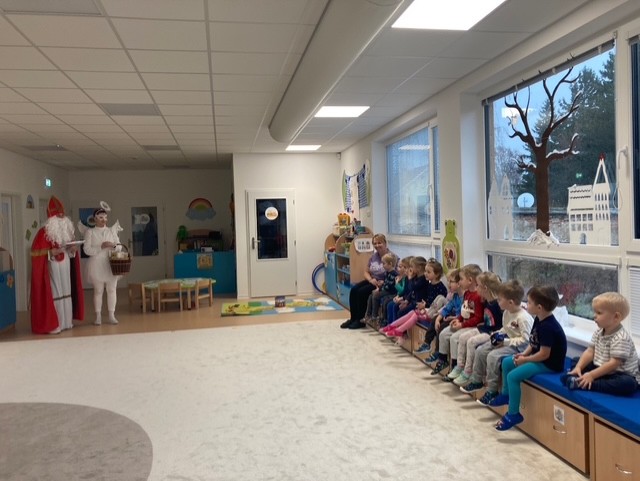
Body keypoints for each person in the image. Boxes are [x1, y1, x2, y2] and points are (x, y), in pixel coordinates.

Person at [490, 285, 567, 431]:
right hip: (538, 357)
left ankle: (513, 414)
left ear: (539, 307)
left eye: (529, 302)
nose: (526, 304)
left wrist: (525, 360)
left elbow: (544, 354)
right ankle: (506, 395)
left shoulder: (548, 327)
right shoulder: (539, 318)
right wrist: (524, 354)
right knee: (507, 362)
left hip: (549, 364)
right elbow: (533, 342)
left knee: (513, 376)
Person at [463, 279, 533, 402]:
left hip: (519, 348)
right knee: (481, 350)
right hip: (507, 340)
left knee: (492, 356)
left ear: (510, 302)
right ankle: (477, 381)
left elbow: (526, 340)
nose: (497, 301)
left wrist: (505, 342)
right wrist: (498, 333)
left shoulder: (524, 318)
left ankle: (492, 390)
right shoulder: (507, 312)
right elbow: (506, 328)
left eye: (500, 299)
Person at [561, 292, 640, 395]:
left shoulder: (621, 338)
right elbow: (590, 351)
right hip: (601, 368)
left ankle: (588, 384)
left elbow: (613, 364)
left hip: (619, 373)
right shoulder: (599, 332)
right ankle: (578, 376)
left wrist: (592, 375)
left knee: (628, 384)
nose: (594, 316)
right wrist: (578, 367)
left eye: (599, 313)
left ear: (616, 317)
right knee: (577, 360)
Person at [30, 196, 84, 334]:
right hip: (52, 266)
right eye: (58, 217)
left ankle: (66, 322)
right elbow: (36, 253)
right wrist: (50, 252)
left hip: (65, 264)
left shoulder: (67, 232)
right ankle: (54, 324)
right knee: (56, 292)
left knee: (67, 291)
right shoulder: (43, 233)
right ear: (52, 218)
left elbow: (70, 250)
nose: (61, 219)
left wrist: (73, 250)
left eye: (62, 216)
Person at [448, 271, 503, 385]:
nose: (476, 288)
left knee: (471, 342)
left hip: (491, 333)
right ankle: (459, 366)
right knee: (463, 338)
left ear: (485, 288)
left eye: (478, 285)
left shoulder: (497, 304)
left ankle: (468, 372)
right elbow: (486, 319)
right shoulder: (486, 301)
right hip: (484, 329)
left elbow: (500, 325)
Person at [430, 263, 484, 375]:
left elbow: (478, 318)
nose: (460, 282)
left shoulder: (478, 296)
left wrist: (462, 324)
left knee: (454, 338)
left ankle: (456, 367)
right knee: (443, 334)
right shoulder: (467, 293)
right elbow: (465, 311)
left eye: (461, 279)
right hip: (464, 323)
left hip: (472, 326)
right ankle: (443, 360)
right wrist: (458, 319)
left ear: (470, 280)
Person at [381, 258, 448, 345]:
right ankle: (393, 326)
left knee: (413, 313)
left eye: (428, 272)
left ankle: (400, 331)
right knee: (409, 312)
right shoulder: (429, 284)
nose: (425, 274)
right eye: (425, 271)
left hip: (432, 312)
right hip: (426, 308)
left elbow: (438, 304)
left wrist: (425, 305)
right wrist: (409, 300)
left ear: (437, 274)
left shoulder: (440, 288)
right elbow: (423, 297)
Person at [340, 233, 394, 330]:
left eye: (379, 243)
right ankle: (353, 318)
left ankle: (360, 320)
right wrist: (370, 279)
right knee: (354, 290)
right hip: (372, 280)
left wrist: (382, 282)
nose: (377, 245)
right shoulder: (373, 257)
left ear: (385, 243)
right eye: (375, 243)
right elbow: (366, 272)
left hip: (383, 283)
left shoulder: (391, 257)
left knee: (361, 292)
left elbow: (395, 274)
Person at [82, 206, 123, 325]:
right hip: (96, 264)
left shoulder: (111, 231)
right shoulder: (90, 232)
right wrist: (100, 247)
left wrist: (113, 246)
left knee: (112, 289)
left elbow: (119, 246)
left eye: (105, 217)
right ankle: (98, 316)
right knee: (98, 290)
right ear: (95, 219)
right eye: (100, 217)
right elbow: (86, 250)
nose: (104, 220)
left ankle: (111, 315)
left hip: (111, 263)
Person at [421, 268, 463, 357]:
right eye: (448, 281)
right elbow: (447, 308)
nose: (448, 284)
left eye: (451, 281)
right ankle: (427, 343)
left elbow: (462, 314)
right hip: (453, 317)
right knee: (435, 319)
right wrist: (438, 318)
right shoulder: (455, 296)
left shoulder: (464, 297)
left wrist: (453, 318)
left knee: (443, 326)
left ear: (459, 283)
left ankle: (438, 352)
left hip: (458, 319)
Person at [363, 252, 398, 329]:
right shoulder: (387, 272)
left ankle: (374, 317)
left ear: (390, 264)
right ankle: (368, 315)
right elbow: (386, 283)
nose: (382, 265)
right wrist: (380, 285)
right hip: (386, 290)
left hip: (391, 292)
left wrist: (380, 289)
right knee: (371, 296)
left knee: (376, 295)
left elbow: (389, 286)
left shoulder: (394, 274)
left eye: (384, 263)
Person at [378, 256, 410, 328]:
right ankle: (388, 323)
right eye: (398, 266)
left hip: (403, 298)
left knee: (392, 305)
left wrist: (397, 284)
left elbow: (402, 290)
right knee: (388, 303)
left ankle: (393, 326)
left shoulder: (405, 278)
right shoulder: (401, 277)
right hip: (399, 296)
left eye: (401, 267)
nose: (398, 269)